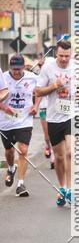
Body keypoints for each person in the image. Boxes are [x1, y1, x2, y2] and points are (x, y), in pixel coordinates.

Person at [35, 38, 73, 206]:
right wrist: (55, 85)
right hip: (54, 116)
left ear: (71, 54)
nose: (64, 59)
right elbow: (38, 91)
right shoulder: (48, 69)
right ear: (56, 54)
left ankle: (71, 190)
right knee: (58, 157)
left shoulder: (77, 68)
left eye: (67, 56)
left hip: (72, 115)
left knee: (71, 152)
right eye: (61, 56)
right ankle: (62, 188)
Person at [0, 54, 38, 197]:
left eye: (19, 69)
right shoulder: (3, 78)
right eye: (14, 69)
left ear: (23, 67)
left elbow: (39, 91)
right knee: (9, 151)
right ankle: (11, 167)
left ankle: (21, 184)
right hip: (6, 120)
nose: (16, 72)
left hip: (24, 119)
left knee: (23, 149)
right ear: (10, 67)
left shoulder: (31, 77)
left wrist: (36, 105)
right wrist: (4, 108)